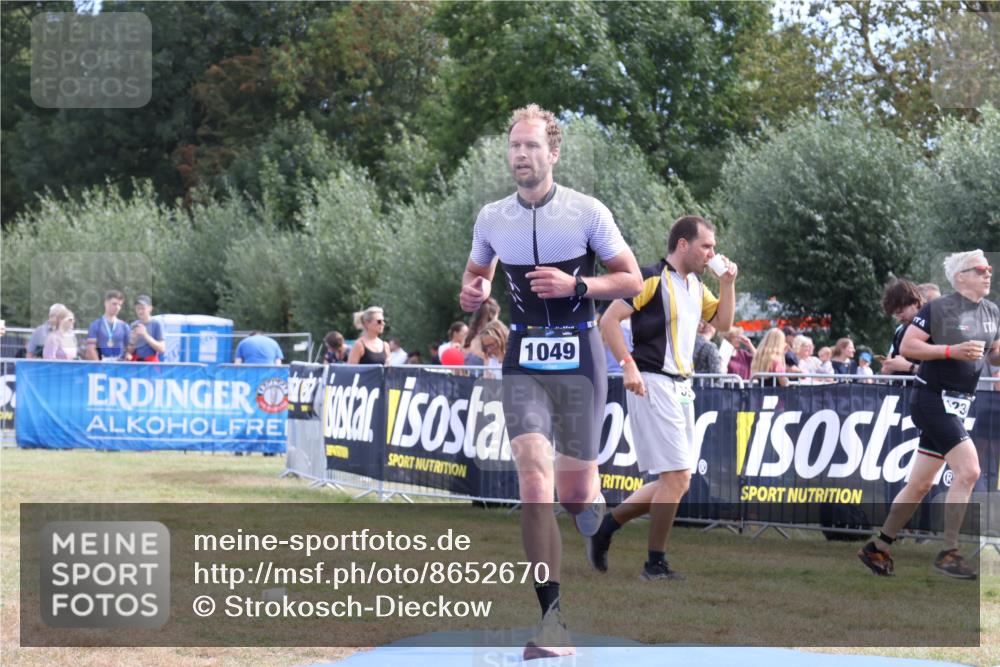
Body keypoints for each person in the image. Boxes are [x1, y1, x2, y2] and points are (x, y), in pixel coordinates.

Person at [458, 103, 642, 660]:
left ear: (553, 153)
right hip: (524, 361)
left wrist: (576, 285)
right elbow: (475, 275)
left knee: (575, 493)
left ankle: (592, 497)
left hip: (580, 356)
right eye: (514, 146)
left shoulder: (586, 212)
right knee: (535, 485)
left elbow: (632, 278)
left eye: (533, 145)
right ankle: (551, 622)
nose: (521, 154)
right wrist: (470, 293)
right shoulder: (492, 218)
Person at [594, 215, 736, 584]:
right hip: (652, 381)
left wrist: (727, 283)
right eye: (706, 246)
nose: (712, 253)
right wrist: (628, 366)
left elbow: (723, 324)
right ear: (683, 245)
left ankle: (607, 526)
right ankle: (654, 563)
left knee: (678, 480)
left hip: (681, 387)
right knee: (676, 477)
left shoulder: (694, 286)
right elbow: (608, 321)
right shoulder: (649, 278)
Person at [859, 250, 997, 579]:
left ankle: (877, 548)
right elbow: (908, 346)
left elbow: (996, 355)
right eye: (981, 269)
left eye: (989, 268)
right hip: (931, 399)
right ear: (961, 277)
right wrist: (950, 350)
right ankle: (949, 552)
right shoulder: (941, 308)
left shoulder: (991, 311)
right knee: (970, 471)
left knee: (920, 484)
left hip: (956, 404)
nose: (988, 273)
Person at [879, 279, 924, 376]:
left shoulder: (934, 327)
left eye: (901, 311)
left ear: (915, 302)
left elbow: (942, 372)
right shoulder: (901, 331)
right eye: (896, 314)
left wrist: (909, 367)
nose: (899, 317)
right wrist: (890, 366)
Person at [85, 290, 131, 361]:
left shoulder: (124, 326)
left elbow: (129, 348)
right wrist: (99, 366)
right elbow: (91, 349)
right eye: (114, 304)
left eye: (120, 305)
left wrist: (128, 356)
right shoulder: (95, 325)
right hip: (101, 365)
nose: (117, 307)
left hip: (119, 366)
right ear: (106, 303)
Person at [126, 294, 165, 362]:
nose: (140, 311)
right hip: (136, 364)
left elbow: (162, 349)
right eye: (138, 308)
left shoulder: (156, 324)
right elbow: (129, 352)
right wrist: (133, 340)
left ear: (150, 308)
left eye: (143, 308)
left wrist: (145, 335)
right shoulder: (133, 325)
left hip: (151, 365)